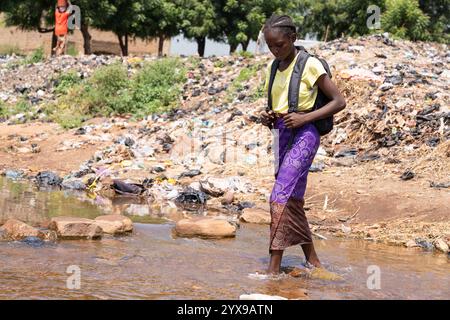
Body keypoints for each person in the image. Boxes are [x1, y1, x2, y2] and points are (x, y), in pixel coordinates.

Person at [260, 14, 346, 275]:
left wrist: (304, 118)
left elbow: (338, 101)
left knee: (279, 196)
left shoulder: (310, 65)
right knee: (292, 199)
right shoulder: (273, 68)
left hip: (305, 134)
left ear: (293, 38)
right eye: (270, 46)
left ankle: (273, 270)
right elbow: (278, 105)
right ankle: (313, 261)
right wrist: (266, 116)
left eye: (280, 45)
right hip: (281, 134)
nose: (275, 51)